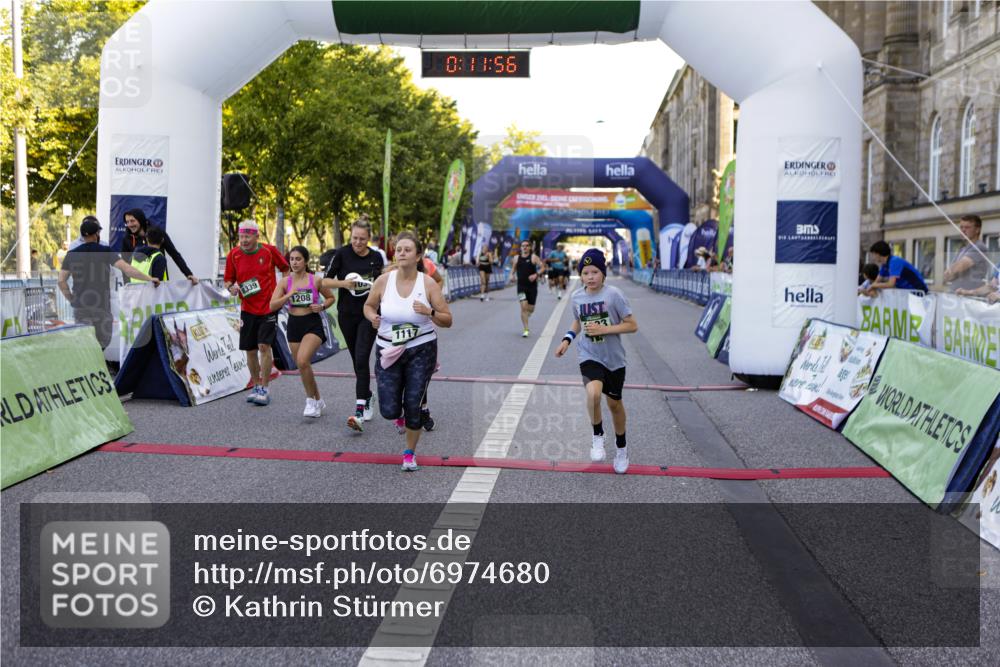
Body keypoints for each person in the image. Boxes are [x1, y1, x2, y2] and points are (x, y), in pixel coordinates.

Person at [364, 231, 452, 471]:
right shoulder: (384, 280)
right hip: (388, 348)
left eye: (407, 250)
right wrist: (372, 316)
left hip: (420, 349)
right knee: (389, 409)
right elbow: (369, 305)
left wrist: (429, 312)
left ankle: (409, 454)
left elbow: (447, 319)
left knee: (413, 403)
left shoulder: (428, 283)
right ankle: (398, 415)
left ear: (418, 256)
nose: (401, 253)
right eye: (399, 249)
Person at [554, 248, 638, 474]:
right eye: (585, 273)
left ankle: (621, 448)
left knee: (614, 405)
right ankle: (597, 435)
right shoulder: (577, 297)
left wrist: (606, 329)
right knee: (592, 394)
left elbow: (632, 325)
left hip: (614, 359)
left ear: (603, 273)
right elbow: (577, 322)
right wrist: (567, 340)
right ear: (580, 275)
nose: (590, 277)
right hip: (589, 354)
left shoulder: (614, 295)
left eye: (595, 272)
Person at [58, 216, 160, 349]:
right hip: (101, 306)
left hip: (80, 306)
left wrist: (71, 299)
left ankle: (89, 367)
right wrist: (149, 278)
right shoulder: (105, 251)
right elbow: (127, 269)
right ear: (96, 235)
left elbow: (61, 281)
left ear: (82, 236)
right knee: (102, 343)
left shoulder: (71, 254)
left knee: (85, 345)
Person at [322, 219, 385, 431]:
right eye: (355, 238)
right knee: (356, 361)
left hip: (368, 315)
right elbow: (324, 281)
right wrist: (344, 284)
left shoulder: (376, 257)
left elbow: (380, 285)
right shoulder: (341, 254)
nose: (358, 242)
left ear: (369, 239)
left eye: (362, 239)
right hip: (346, 315)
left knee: (361, 358)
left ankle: (358, 412)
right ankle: (367, 395)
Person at [223, 220, 290, 406]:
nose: (243, 240)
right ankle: (257, 385)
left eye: (247, 236)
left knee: (263, 347)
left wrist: (283, 289)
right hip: (247, 309)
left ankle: (266, 388)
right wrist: (232, 288)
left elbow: (285, 268)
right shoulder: (233, 255)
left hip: (268, 307)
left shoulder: (269, 251)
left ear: (256, 236)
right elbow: (228, 280)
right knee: (250, 350)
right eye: (241, 236)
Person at [269, 246, 335, 418]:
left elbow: (331, 298)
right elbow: (272, 305)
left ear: (305, 261)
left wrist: (321, 306)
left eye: (298, 259)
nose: (294, 262)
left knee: (303, 360)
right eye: (291, 259)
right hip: (294, 325)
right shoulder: (284, 282)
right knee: (303, 365)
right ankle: (318, 399)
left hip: (312, 324)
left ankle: (310, 401)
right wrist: (287, 295)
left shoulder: (315, 280)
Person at [119, 208, 199, 285]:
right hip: (137, 287)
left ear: (140, 220)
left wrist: (188, 273)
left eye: (132, 221)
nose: (129, 224)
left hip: (159, 284)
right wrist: (127, 286)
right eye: (127, 222)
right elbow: (125, 265)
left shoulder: (156, 233)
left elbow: (174, 254)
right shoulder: (126, 239)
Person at [508, 240, 546, 337]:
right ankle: (526, 329)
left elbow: (543, 268)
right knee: (523, 307)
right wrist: (511, 275)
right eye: (523, 246)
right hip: (521, 286)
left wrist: (536, 274)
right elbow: (513, 270)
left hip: (532, 287)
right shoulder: (516, 258)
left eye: (526, 246)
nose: (524, 247)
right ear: (520, 248)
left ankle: (527, 314)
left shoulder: (534, 257)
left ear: (530, 247)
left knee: (531, 309)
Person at [943, 214, 990, 292]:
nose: (963, 230)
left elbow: (959, 267)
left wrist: (953, 271)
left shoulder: (979, 247)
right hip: (955, 295)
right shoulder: (962, 249)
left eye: (967, 227)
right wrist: (952, 272)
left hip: (969, 297)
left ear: (977, 230)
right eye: (961, 227)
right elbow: (948, 276)